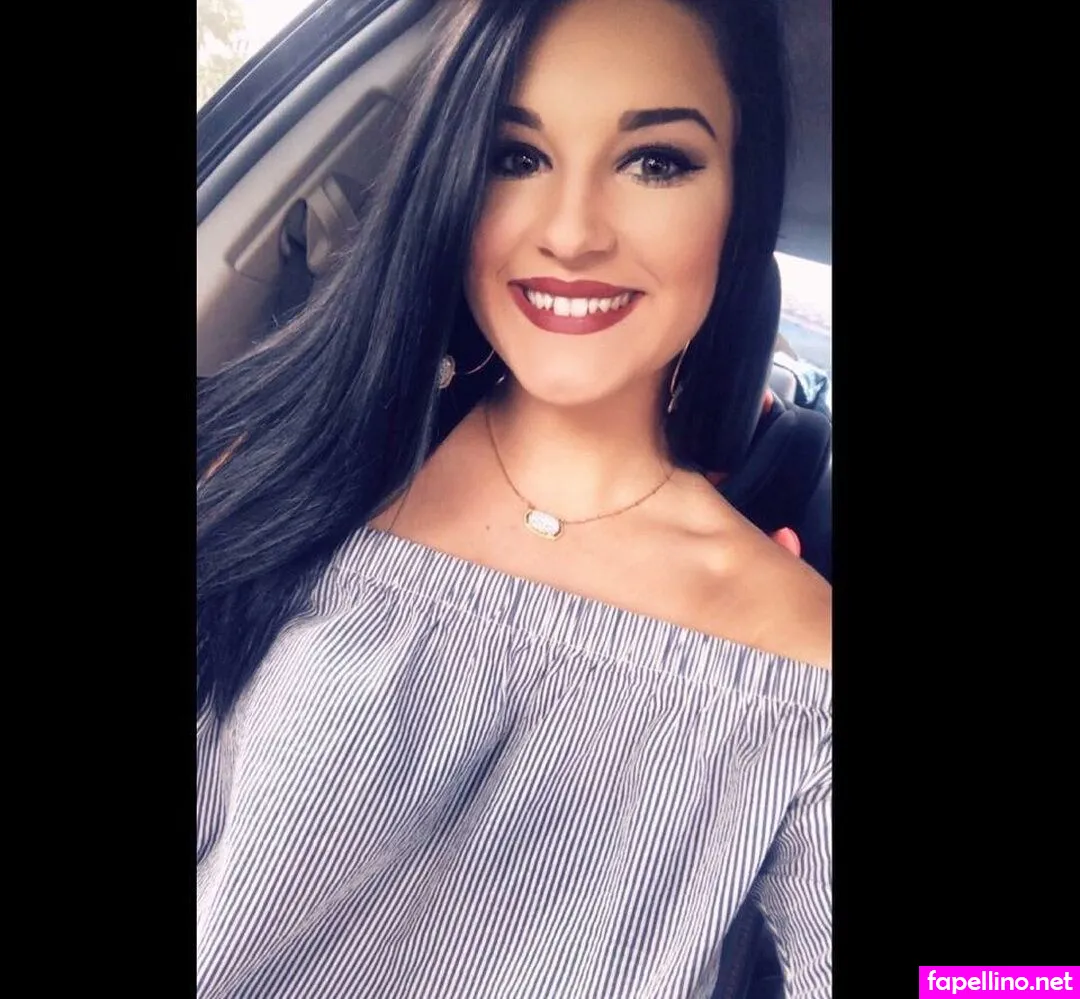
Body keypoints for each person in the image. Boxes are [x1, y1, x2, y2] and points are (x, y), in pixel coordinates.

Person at [196, 0, 832, 996]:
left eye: (656, 161)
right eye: (515, 156)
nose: (571, 233)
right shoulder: (287, 463)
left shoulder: (798, 658)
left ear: (738, 203)